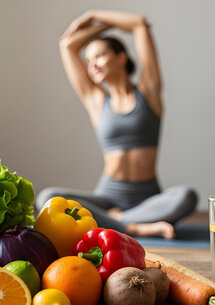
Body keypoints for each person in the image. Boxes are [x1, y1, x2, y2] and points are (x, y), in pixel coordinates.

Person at [36, 10, 197, 239]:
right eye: (89, 60)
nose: (92, 65)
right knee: (48, 197)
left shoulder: (148, 93)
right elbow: (67, 46)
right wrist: (99, 27)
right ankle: (134, 227)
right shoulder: (97, 101)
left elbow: (140, 24)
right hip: (108, 195)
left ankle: (115, 220)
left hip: (148, 197)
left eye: (100, 56)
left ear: (122, 57)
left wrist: (94, 15)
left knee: (186, 196)